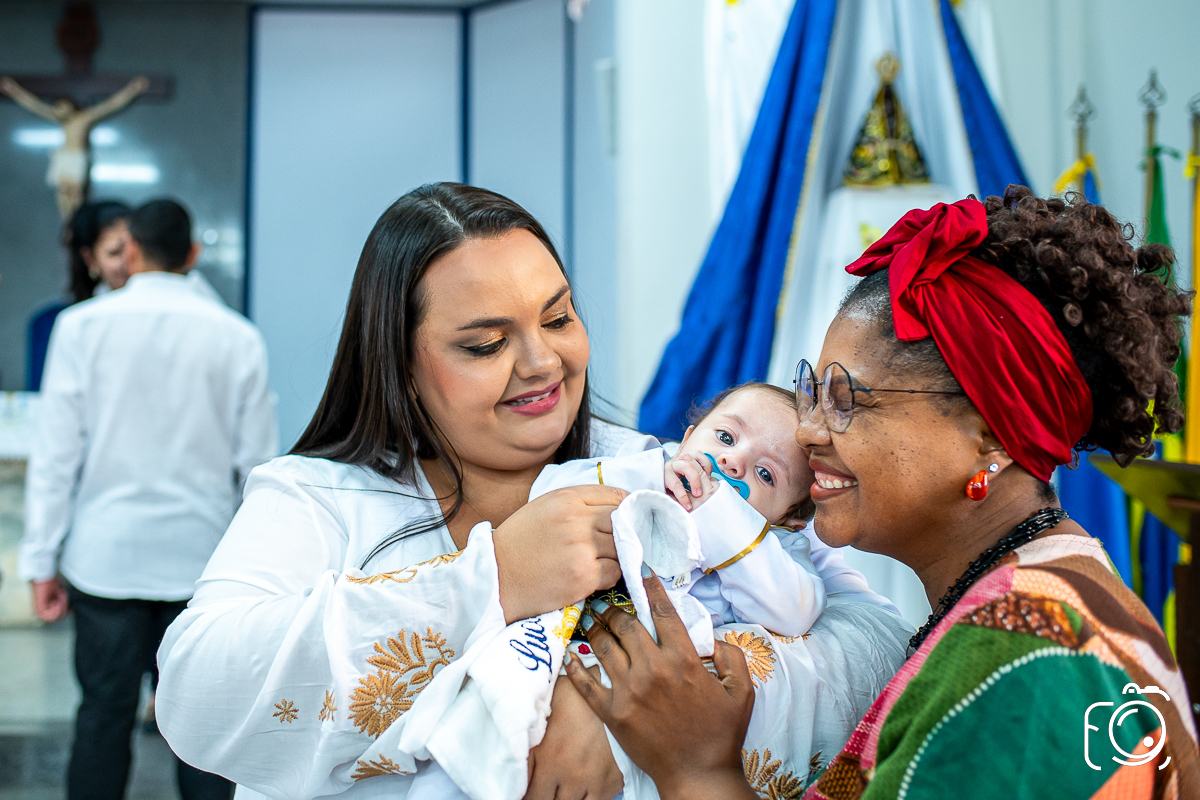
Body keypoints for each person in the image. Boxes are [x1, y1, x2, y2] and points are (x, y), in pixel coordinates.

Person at [154, 183, 911, 800]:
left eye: (559, 317)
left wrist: (617, 715)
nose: (543, 361)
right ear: (399, 362)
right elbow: (199, 697)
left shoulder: (661, 474)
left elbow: (878, 647)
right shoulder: (318, 497)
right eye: (484, 345)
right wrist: (496, 579)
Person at [564, 188, 1200, 799]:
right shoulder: (1029, 590)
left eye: (847, 401)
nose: (807, 431)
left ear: (989, 441)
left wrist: (696, 770)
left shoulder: (1027, 656)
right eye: (811, 390)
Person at [401, 382, 827, 800]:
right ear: (687, 437)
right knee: (483, 726)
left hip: (643, 692)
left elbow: (795, 612)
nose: (733, 462)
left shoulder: (775, 549)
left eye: (766, 474)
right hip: (553, 638)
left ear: (789, 518)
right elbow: (549, 494)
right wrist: (647, 480)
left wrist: (725, 519)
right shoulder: (640, 466)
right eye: (725, 436)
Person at [19, 198, 278, 800]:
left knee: (102, 718)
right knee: (205, 730)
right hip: (203, 568)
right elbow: (259, 470)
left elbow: (57, 455)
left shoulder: (80, 327)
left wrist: (40, 562)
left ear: (130, 250)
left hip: (104, 563)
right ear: (193, 255)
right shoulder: (237, 338)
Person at [0, 75, 149, 219]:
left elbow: (110, 106)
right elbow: (35, 106)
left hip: (77, 158)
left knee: (76, 197)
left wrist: (132, 90)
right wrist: (14, 90)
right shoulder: (63, 121)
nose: (60, 110)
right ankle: (67, 223)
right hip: (63, 158)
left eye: (63, 106)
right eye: (57, 107)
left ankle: (76, 222)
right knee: (63, 196)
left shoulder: (84, 118)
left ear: (71, 105)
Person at [28, 200, 132, 391]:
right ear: (90, 259)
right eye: (115, 252)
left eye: (134, 251)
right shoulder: (56, 323)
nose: (128, 261)